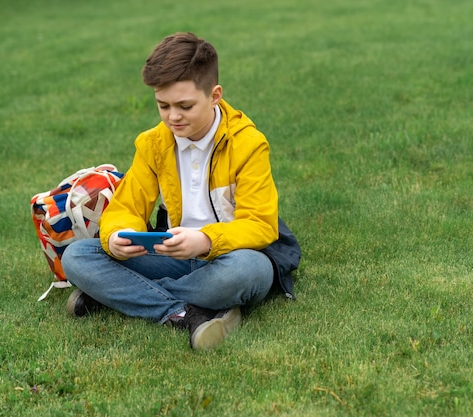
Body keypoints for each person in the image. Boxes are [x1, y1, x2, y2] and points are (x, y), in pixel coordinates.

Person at [61, 32, 301, 350]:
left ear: (215, 95)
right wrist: (117, 237)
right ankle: (185, 313)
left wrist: (205, 240)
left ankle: (118, 295)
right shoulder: (152, 143)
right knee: (77, 256)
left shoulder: (248, 143)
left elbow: (261, 224)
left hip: (233, 257)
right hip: (170, 253)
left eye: (185, 106)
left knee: (247, 273)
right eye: (163, 105)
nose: (173, 116)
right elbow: (126, 208)